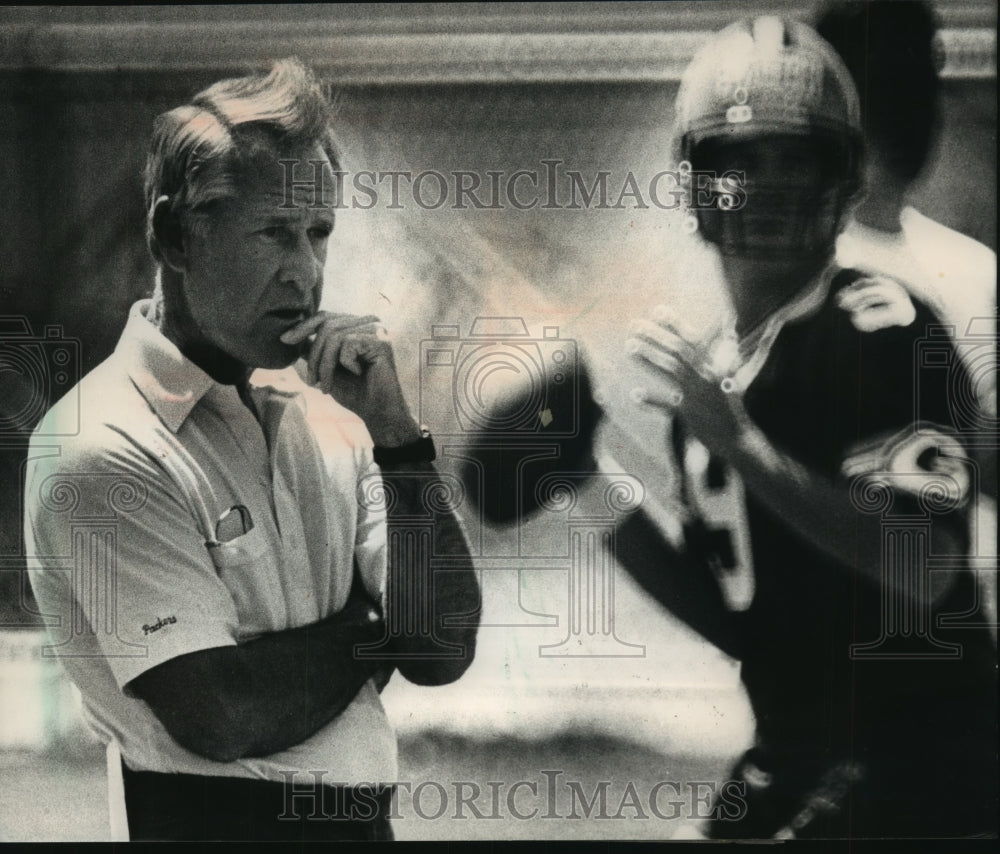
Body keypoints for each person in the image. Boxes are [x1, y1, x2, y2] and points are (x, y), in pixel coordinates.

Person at [23, 58, 480, 841]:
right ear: (174, 235)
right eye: (273, 232)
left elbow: (439, 647)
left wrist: (399, 439)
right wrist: (379, 626)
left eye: (318, 233)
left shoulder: (335, 415)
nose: (305, 271)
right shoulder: (101, 442)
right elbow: (221, 713)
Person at [618, 16, 997, 838]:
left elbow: (926, 566)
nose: (768, 189)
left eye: (797, 161)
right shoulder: (716, 374)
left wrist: (743, 445)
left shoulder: (880, 327)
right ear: (696, 183)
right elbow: (747, 626)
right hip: (796, 757)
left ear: (843, 179)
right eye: (740, 162)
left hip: (918, 775)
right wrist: (588, 488)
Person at [816, 0, 997, 499]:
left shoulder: (976, 268)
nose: (910, 115)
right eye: (884, 87)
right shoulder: (800, 273)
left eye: (921, 89)